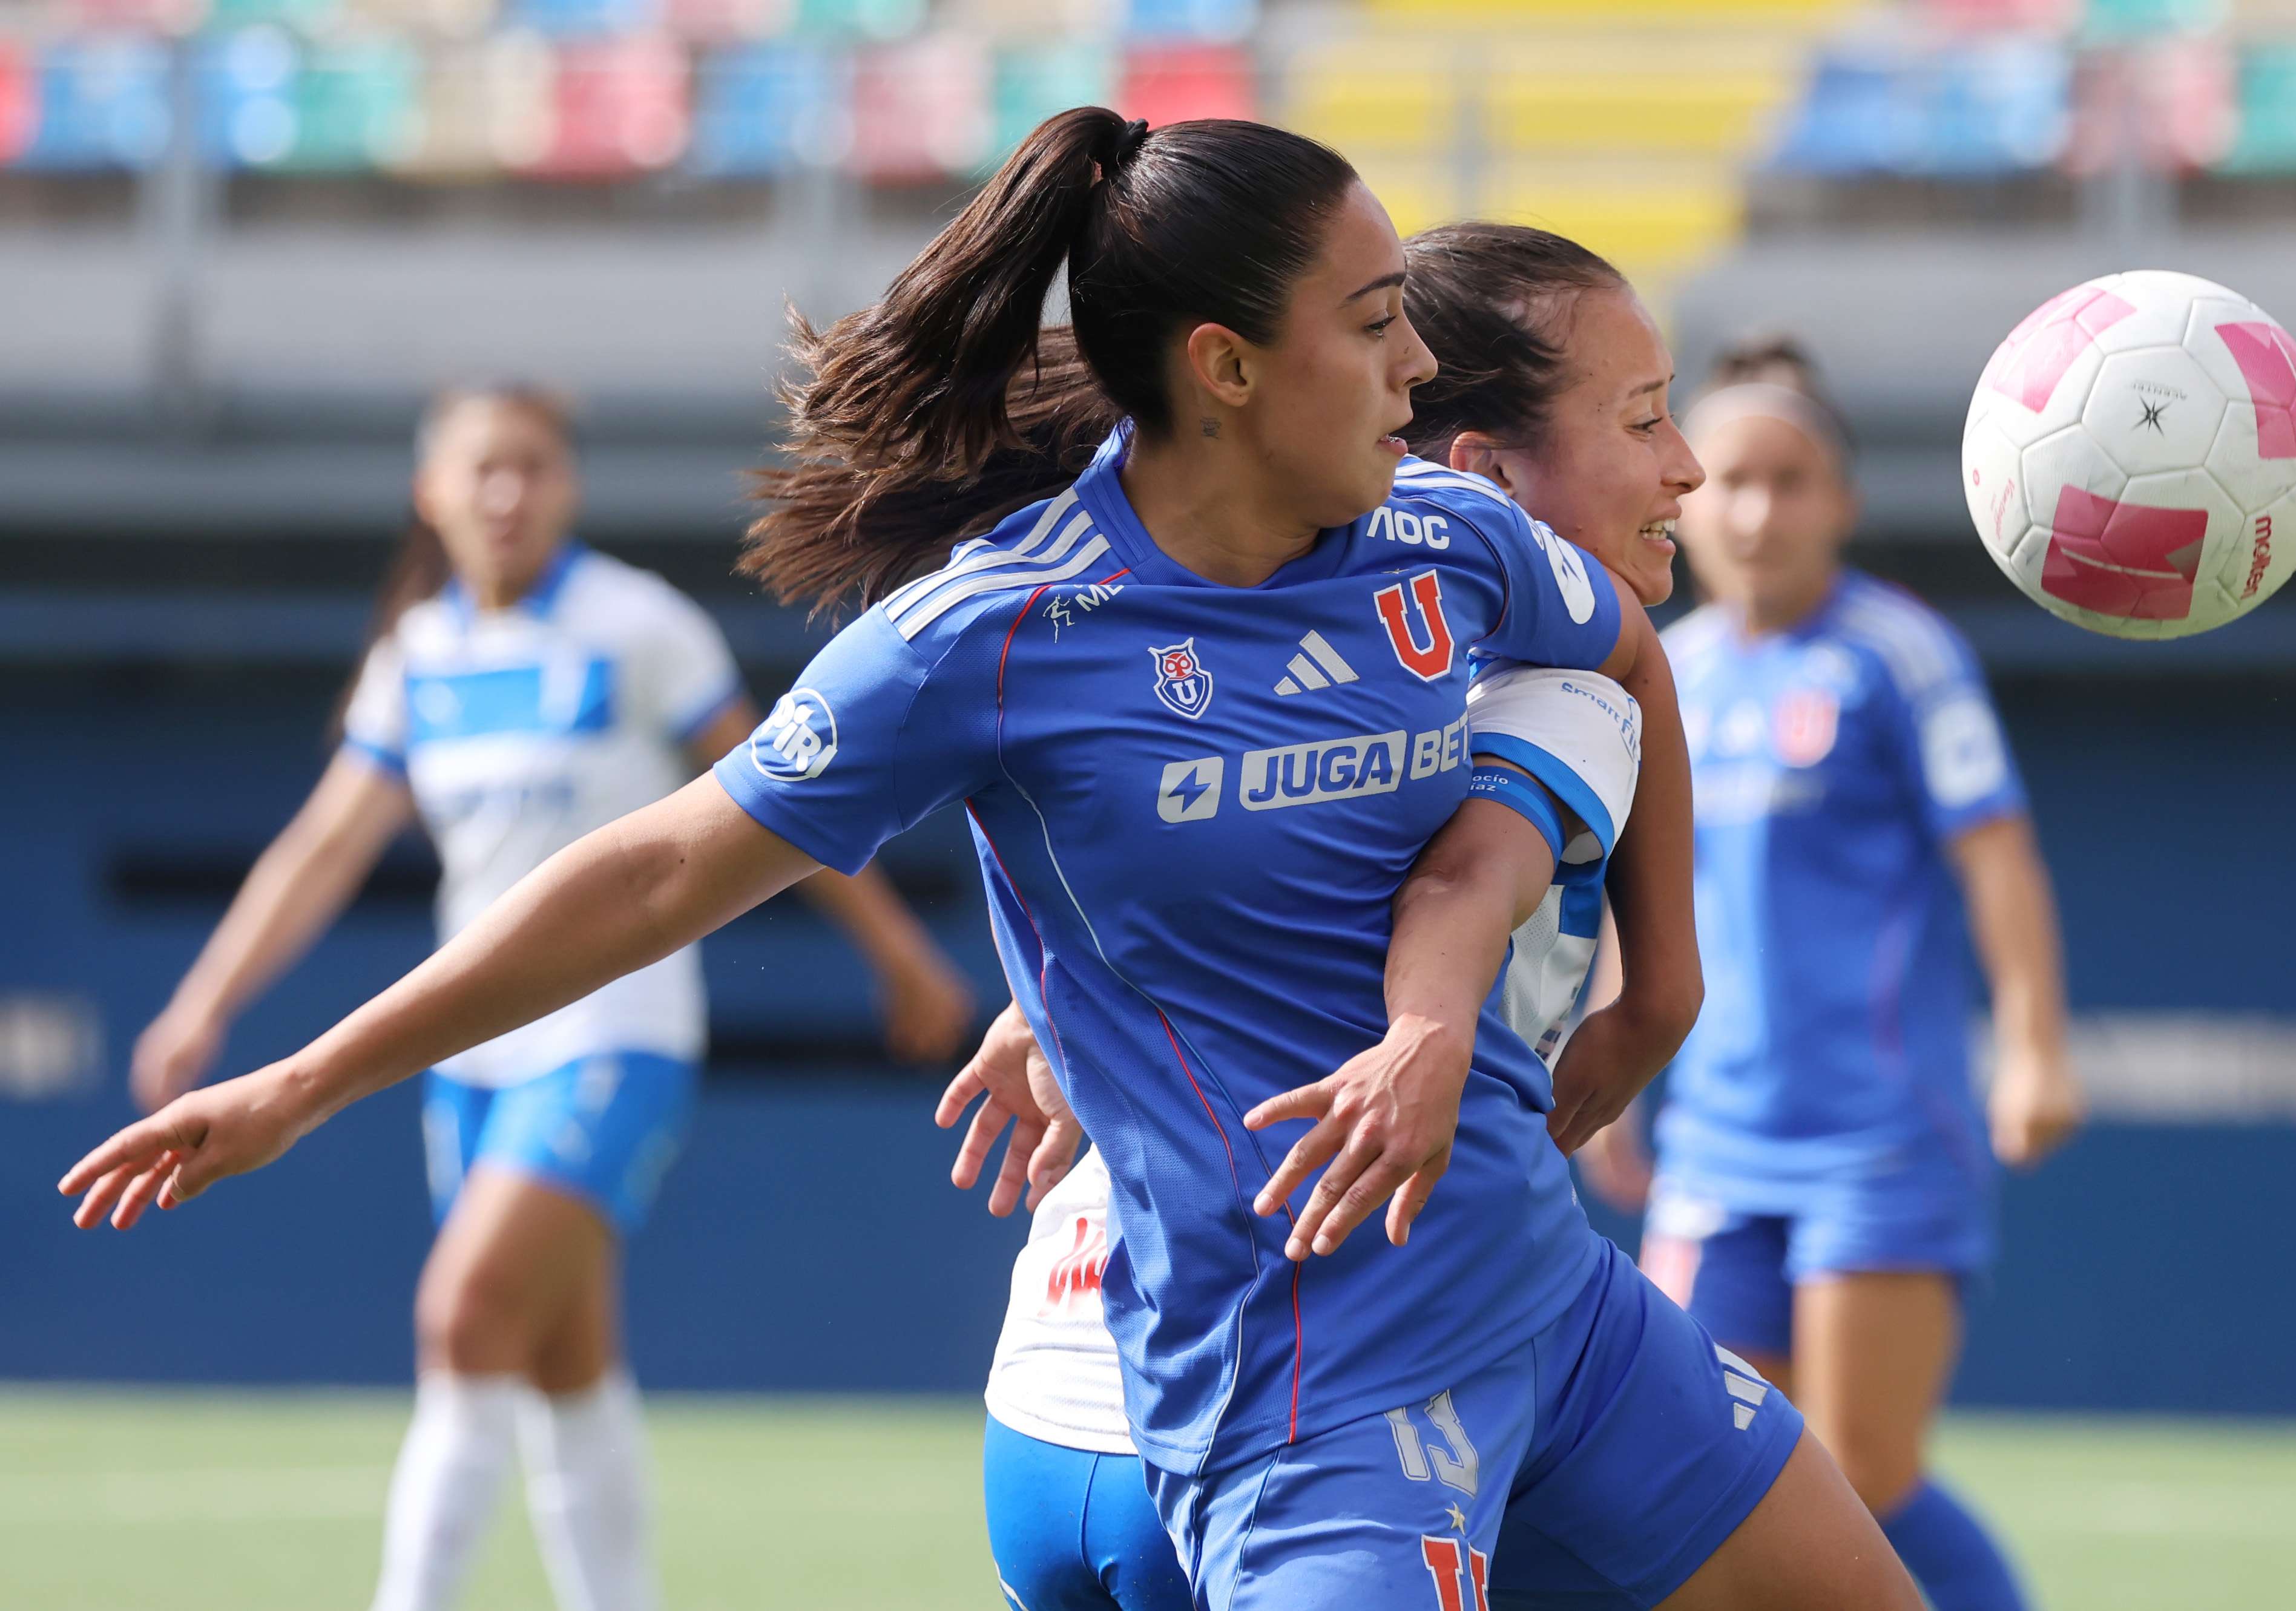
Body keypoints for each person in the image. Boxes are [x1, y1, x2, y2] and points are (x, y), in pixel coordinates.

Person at [65, 113, 1921, 1610]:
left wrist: (1661, 976)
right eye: (1372, 324)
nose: (1417, 361)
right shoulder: (995, 637)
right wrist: (304, 1078)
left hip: (1564, 1311)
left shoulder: (1445, 535)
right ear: (1223, 366)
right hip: (1309, 1382)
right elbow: (652, 875)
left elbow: (1620, 646)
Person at [121, 385, 973, 1611]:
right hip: (470, 1058)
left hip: (613, 1035)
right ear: (430, 495)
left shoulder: (638, 627)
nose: (507, 492)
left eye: (532, 466)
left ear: (569, 484)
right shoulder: (419, 657)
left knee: (463, 1312)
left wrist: (897, 954)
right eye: (481, 469)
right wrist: (204, 1003)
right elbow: (321, 847)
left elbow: (787, 797)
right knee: (563, 1361)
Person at [970, 221, 1703, 1611]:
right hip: (1305, 1398)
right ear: (1481, 479)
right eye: (1643, 418)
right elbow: (1470, 875)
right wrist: (1653, 994)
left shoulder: (1268, 664)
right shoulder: (1547, 690)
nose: (1686, 465)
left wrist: (1041, 1002)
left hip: (1058, 1389)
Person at [1582, 338, 2084, 1611]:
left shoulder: (1896, 654)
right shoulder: (1668, 668)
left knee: (1860, 1473)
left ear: (1843, 503)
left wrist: (2034, 1045)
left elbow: (1996, 856)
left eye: (1789, 481)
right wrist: (1609, 1064)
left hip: (1878, 1140)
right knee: (1704, 1481)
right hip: (1716, 1145)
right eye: (1731, 481)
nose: (1756, 512)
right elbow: (1635, 895)